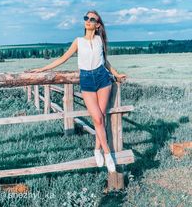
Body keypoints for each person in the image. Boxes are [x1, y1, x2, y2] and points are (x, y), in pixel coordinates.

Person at [29, 10, 128, 172]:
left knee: (101, 118)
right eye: (86, 18)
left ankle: (97, 149)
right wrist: (42, 68)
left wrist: (116, 74)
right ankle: (107, 153)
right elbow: (63, 58)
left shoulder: (99, 40)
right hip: (87, 80)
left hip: (103, 79)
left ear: (98, 25)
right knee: (97, 118)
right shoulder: (78, 41)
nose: (88, 21)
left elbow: (105, 61)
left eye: (92, 19)